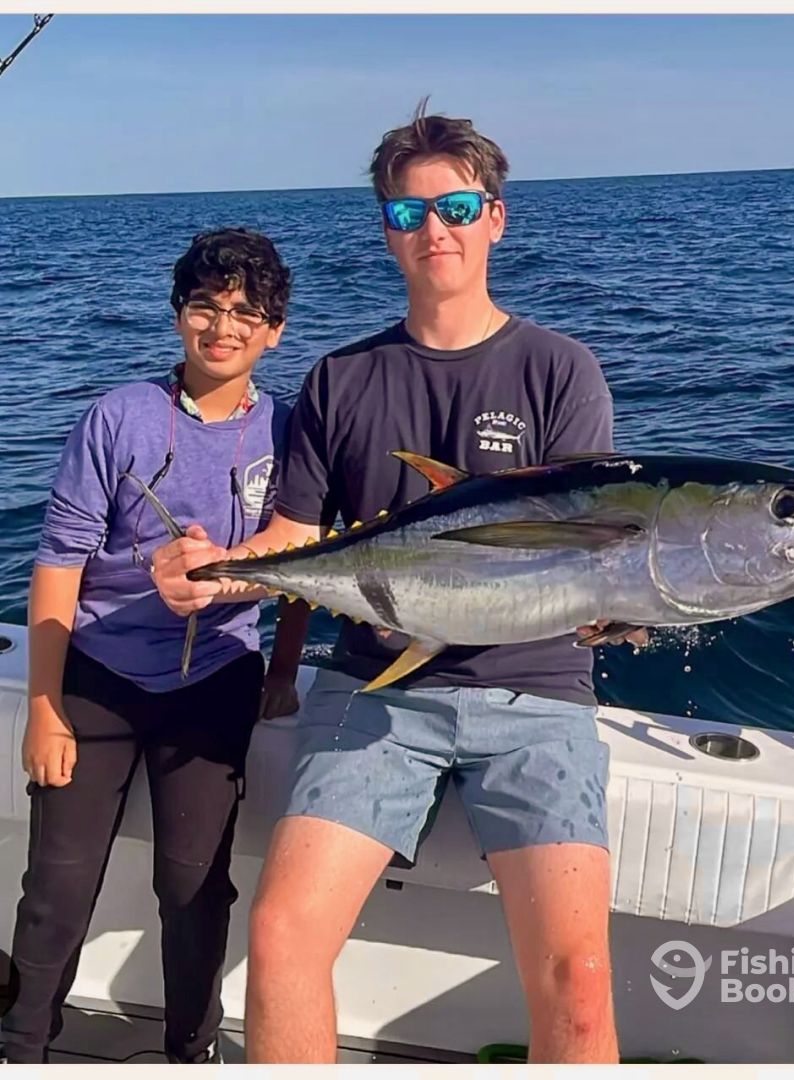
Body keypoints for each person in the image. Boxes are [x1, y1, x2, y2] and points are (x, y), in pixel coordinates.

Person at [152, 105, 635, 1064]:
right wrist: (213, 572)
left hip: (536, 693)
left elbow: (593, 553)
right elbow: (292, 543)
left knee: (578, 977)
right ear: (386, 231)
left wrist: (620, 612)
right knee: (281, 937)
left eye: (455, 207)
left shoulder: (559, 370)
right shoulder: (341, 378)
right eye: (408, 213)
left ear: (495, 218)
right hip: (375, 688)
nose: (434, 229)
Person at [0, 228, 307, 1065]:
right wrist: (45, 708)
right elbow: (59, 561)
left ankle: (191, 1050)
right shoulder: (119, 415)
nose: (222, 326)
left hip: (217, 678)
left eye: (245, 312)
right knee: (57, 887)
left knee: (193, 885)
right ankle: (21, 1047)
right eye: (205, 306)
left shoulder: (290, 431)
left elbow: (305, 562)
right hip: (98, 672)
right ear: (178, 314)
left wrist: (283, 669)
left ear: (274, 331)